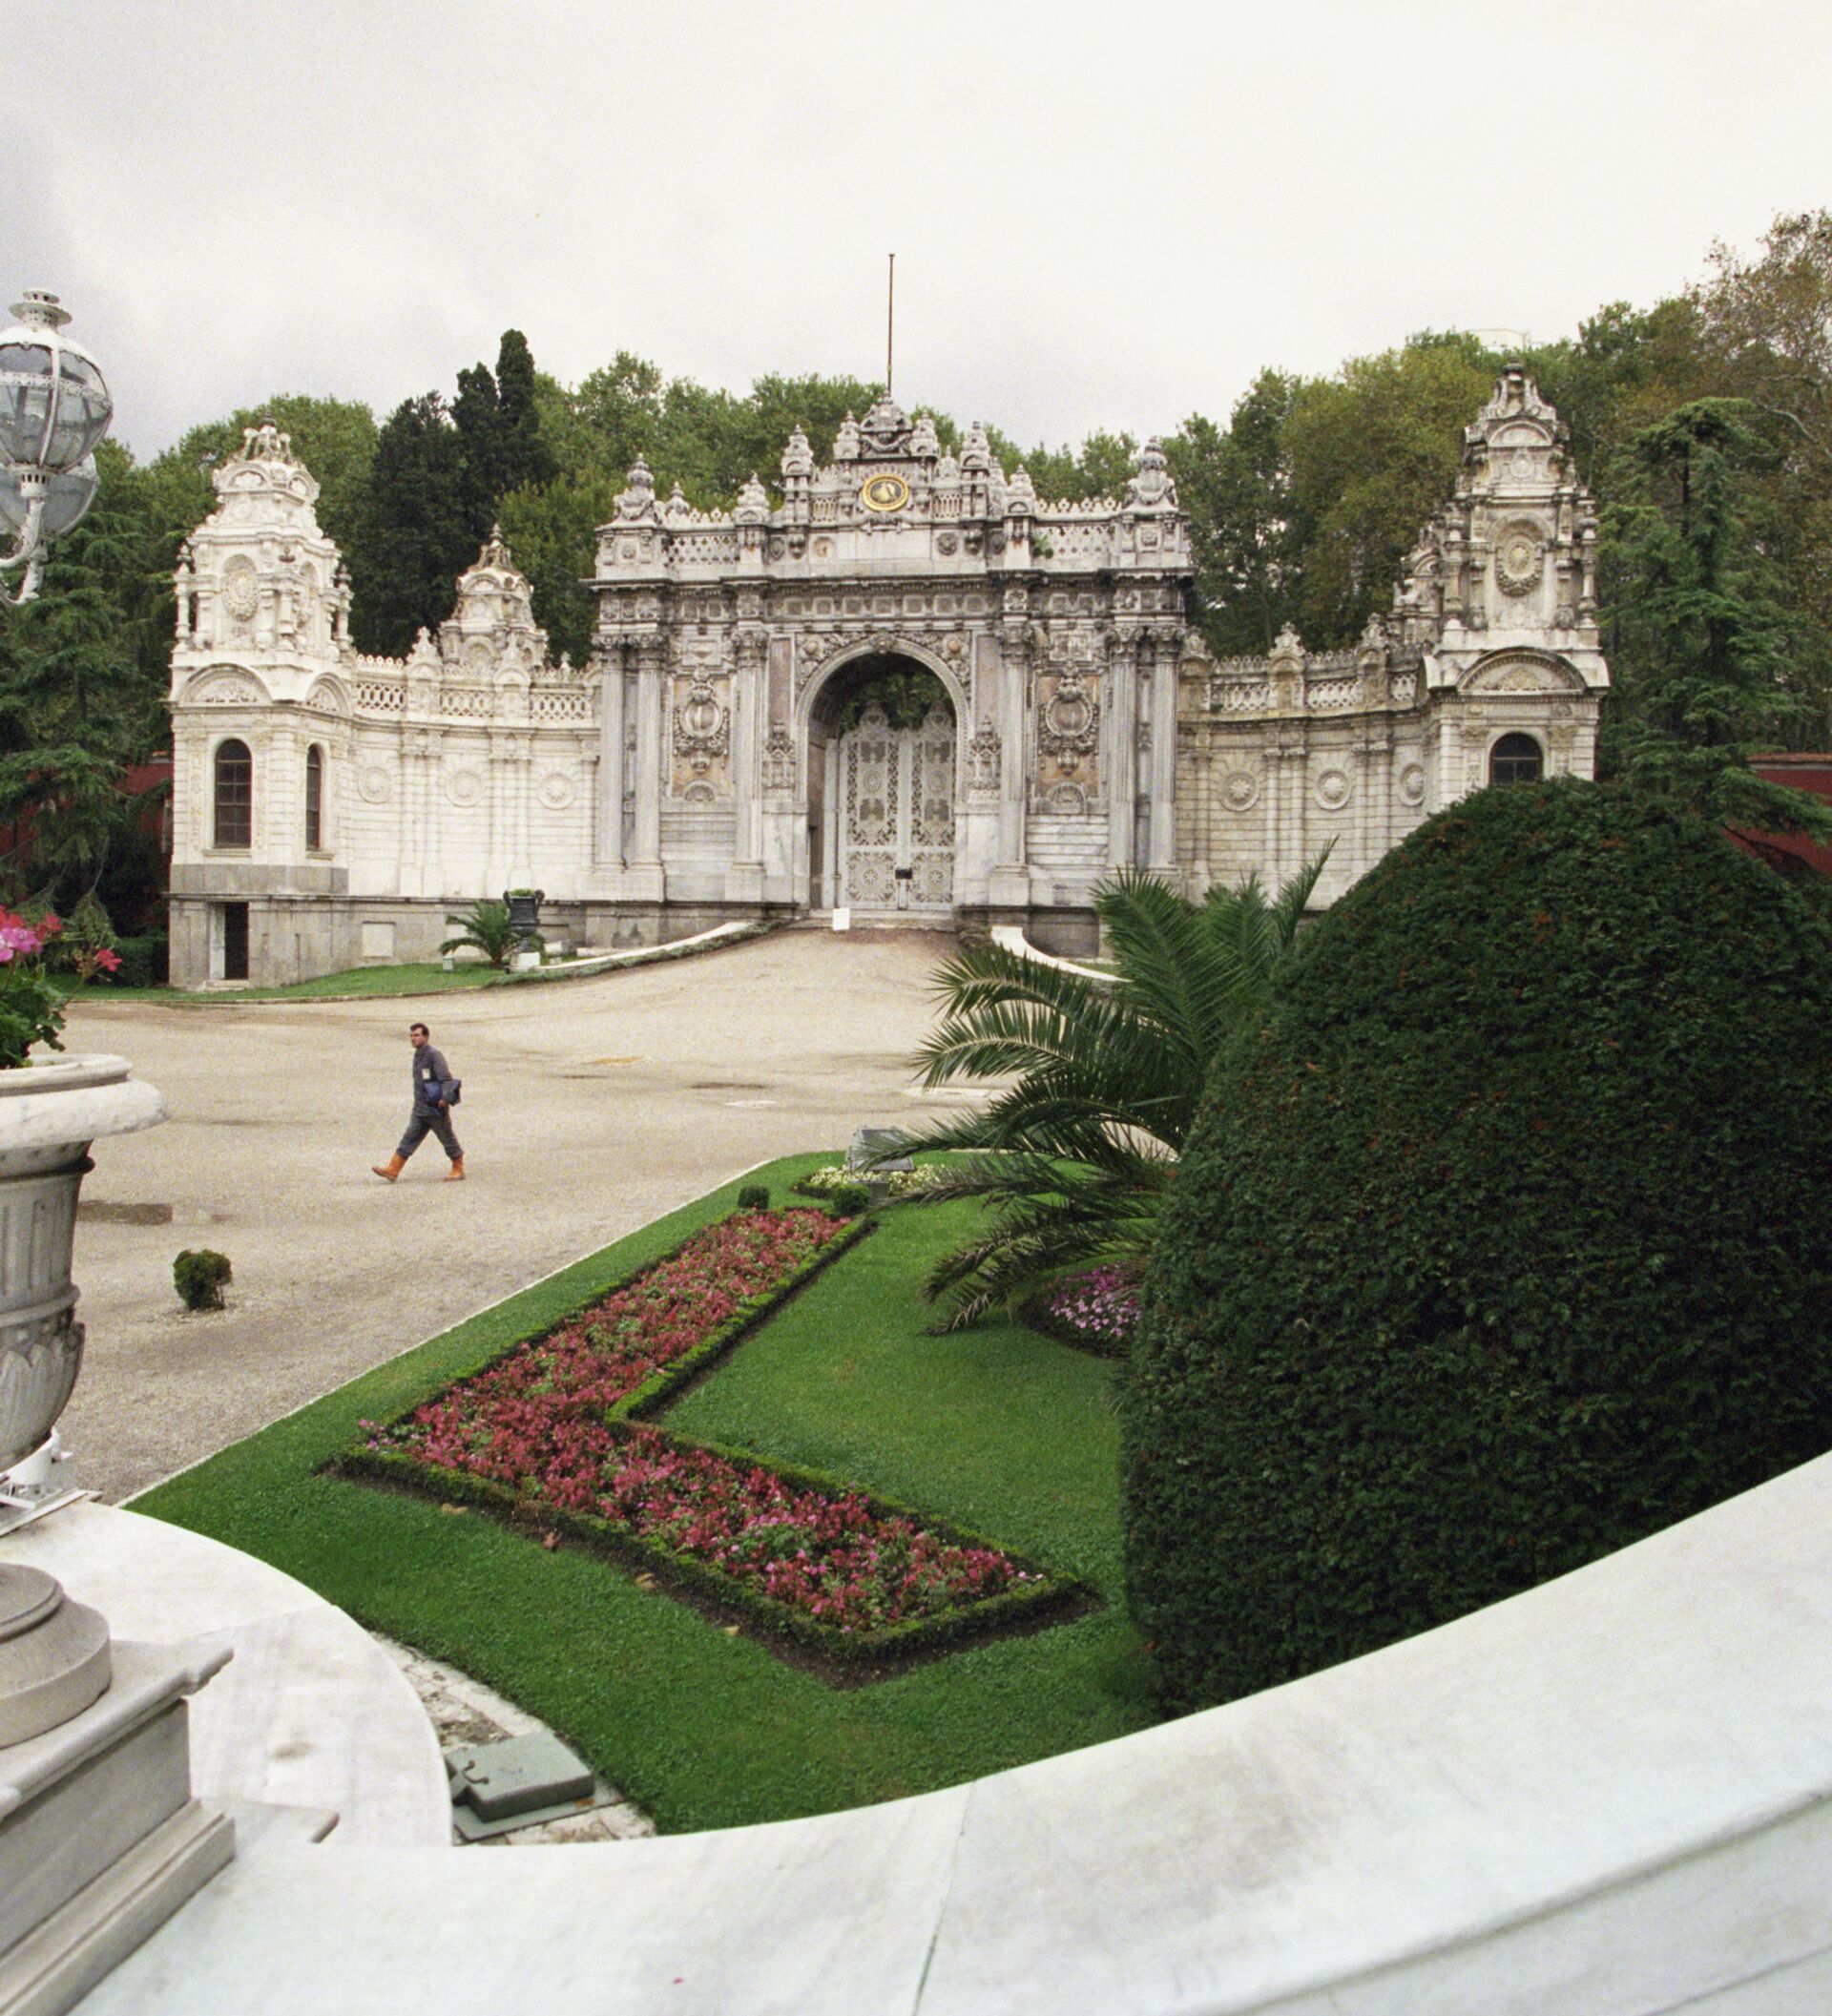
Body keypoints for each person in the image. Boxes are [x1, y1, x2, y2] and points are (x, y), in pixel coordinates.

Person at [372, 1021, 465, 1182]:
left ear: (426, 1037)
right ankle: (393, 1169)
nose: (413, 1038)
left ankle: (458, 1168)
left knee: (447, 1138)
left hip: (435, 1108)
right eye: (412, 1035)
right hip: (420, 1108)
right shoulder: (418, 1055)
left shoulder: (434, 1055)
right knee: (409, 1138)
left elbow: (446, 1078)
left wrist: (446, 1099)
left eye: (417, 1035)